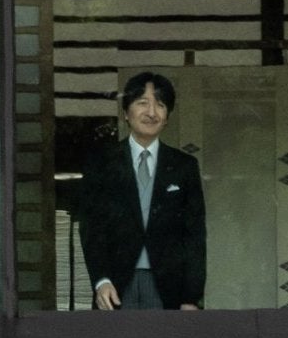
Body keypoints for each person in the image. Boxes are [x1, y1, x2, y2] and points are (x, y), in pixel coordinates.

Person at [76, 71, 206, 311]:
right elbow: (91, 227)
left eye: (160, 104)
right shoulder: (102, 163)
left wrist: (191, 297)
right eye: (142, 103)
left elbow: (195, 236)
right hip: (116, 284)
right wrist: (101, 280)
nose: (151, 112)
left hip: (168, 287)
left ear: (167, 117)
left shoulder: (183, 166)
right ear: (126, 113)